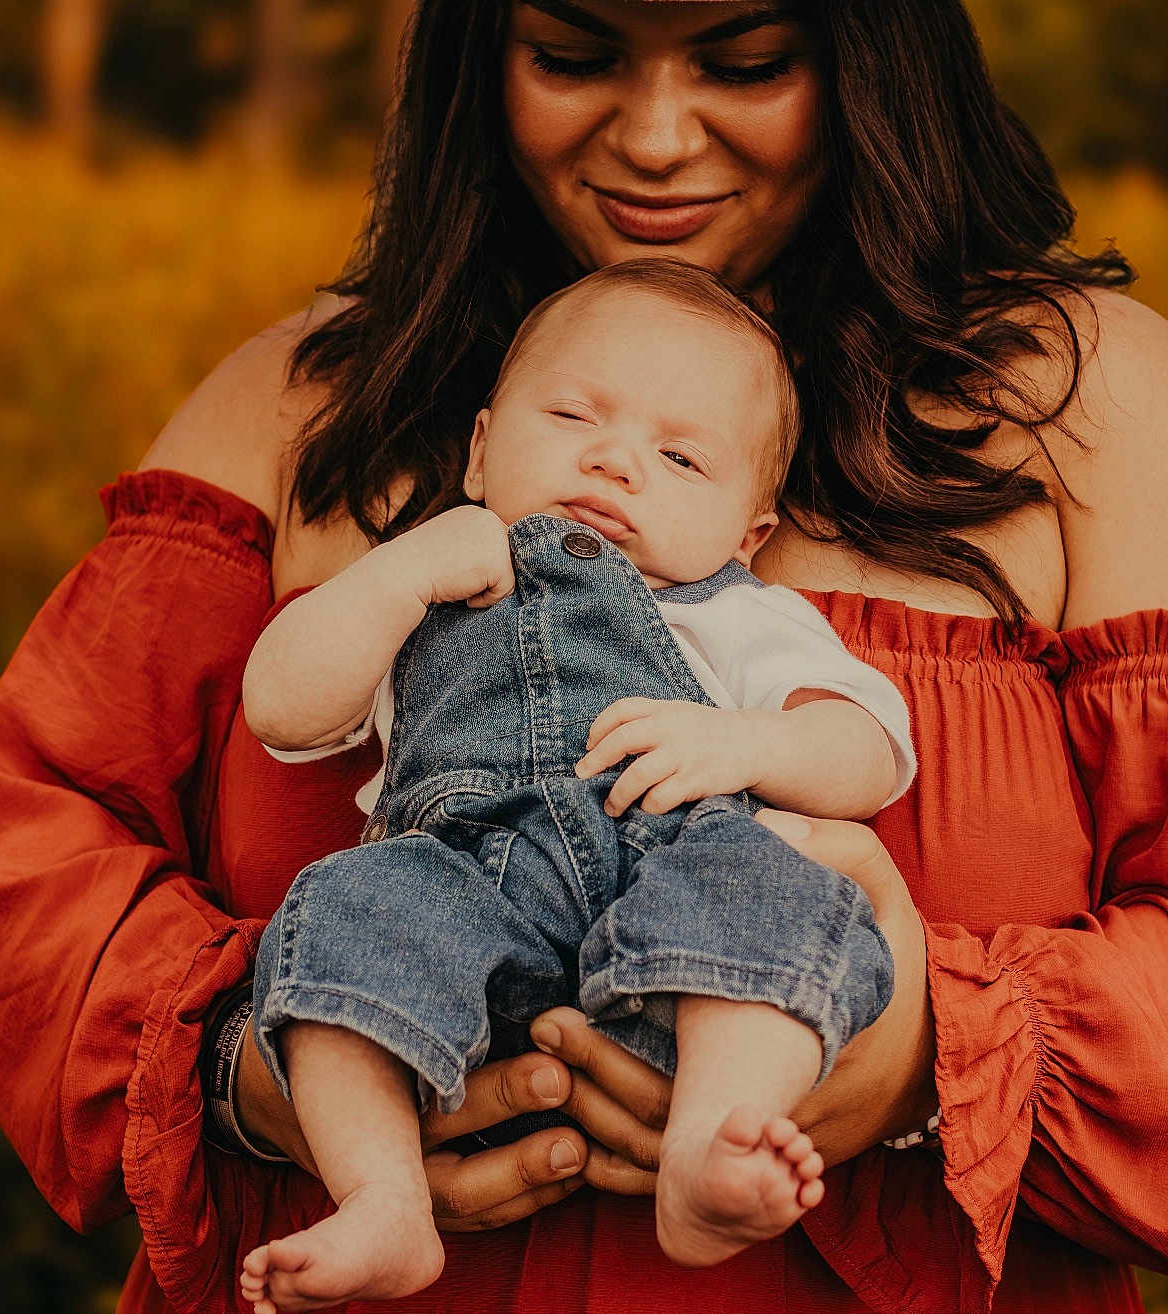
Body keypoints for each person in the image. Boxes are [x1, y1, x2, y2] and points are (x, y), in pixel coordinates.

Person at [0, 1, 1168, 1312]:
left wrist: (935, 1052)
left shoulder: (1091, 399)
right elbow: (39, 855)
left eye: (746, 63)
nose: (655, 138)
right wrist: (263, 1068)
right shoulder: (299, 405)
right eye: (572, 58)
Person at [238, 261, 914, 1309]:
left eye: (680, 457)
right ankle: (382, 1198)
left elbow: (868, 750)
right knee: (338, 912)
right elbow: (282, 706)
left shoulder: (736, 614)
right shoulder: (427, 586)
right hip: (454, 893)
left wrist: (746, 744)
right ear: (479, 451)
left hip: (668, 882)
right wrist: (401, 572)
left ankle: (710, 1139)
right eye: (571, 416)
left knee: (777, 893)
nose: (615, 459)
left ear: (748, 533)